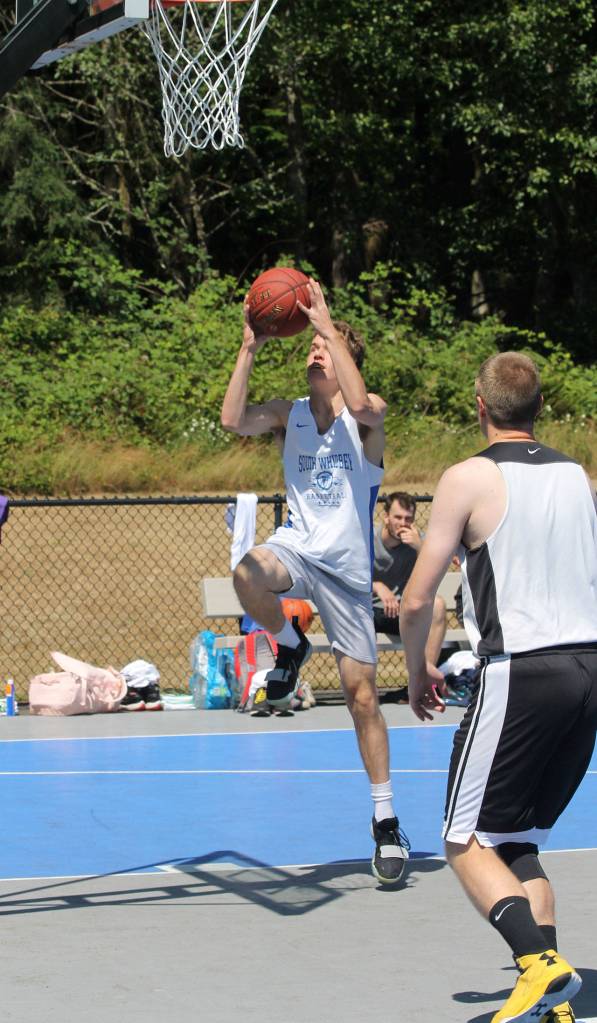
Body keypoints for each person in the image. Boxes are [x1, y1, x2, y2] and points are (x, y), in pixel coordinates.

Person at [399, 351, 597, 1022]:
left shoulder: (467, 476)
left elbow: (417, 594)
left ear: (479, 407)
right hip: (587, 670)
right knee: (515, 842)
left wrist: (416, 668)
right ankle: (552, 999)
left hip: (522, 672)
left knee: (463, 839)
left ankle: (538, 963)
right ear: (538, 408)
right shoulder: (576, 476)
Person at [221, 277, 409, 884]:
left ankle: (384, 820)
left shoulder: (369, 419)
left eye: (322, 349)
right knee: (245, 572)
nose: (312, 354)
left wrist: (328, 326)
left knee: (362, 700)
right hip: (298, 548)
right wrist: (249, 346)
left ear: (342, 357)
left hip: (349, 572)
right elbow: (231, 420)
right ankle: (291, 641)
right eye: (310, 348)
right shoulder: (290, 415)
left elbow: (361, 406)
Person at [372, 491, 447, 665]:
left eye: (408, 519)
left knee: (438, 606)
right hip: (369, 610)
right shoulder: (368, 539)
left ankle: (426, 680)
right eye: (397, 517)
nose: (402, 524)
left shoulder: (418, 541)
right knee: (362, 618)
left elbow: (436, 571)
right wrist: (377, 586)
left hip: (403, 612)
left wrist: (419, 547)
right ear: (386, 517)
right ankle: (367, 687)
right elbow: (349, 576)